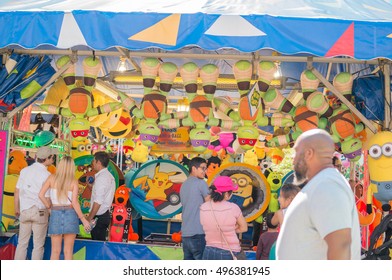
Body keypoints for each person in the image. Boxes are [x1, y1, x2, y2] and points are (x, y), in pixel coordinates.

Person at [276, 129, 361, 260]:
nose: (293, 160)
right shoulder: (322, 183)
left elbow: (340, 245)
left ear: (309, 153)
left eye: (296, 152)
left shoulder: (327, 186)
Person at [38, 156, 91, 260]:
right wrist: (83, 220)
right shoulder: (73, 181)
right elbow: (75, 202)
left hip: (55, 214)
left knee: (55, 251)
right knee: (68, 251)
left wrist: (49, 206)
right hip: (71, 215)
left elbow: (40, 195)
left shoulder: (51, 178)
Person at [14, 146, 57, 260]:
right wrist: (52, 213)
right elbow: (47, 198)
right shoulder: (47, 175)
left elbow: (17, 190)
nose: (53, 159)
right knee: (38, 246)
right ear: (47, 158)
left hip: (24, 210)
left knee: (22, 243)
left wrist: (16, 208)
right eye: (52, 157)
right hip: (40, 211)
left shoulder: (24, 171)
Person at [200, 176, 248, 260]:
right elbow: (244, 228)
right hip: (229, 252)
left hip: (208, 251)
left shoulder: (203, 207)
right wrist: (231, 229)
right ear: (226, 194)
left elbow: (206, 226)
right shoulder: (233, 208)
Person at [180, 157, 210, 260]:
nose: (204, 171)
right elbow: (210, 205)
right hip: (198, 232)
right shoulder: (201, 183)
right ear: (194, 168)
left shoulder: (184, 185)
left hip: (185, 233)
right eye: (202, 168)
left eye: (205, 168)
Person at [86, 151, 115, 241]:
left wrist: (89, 218)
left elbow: (98, 202)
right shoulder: (108, 176)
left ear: (99, 162)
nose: (92, 163)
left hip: (99, 216)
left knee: (96, 245)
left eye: (93, 161)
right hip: (103, 214)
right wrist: (92, 187)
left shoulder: (102, 178)